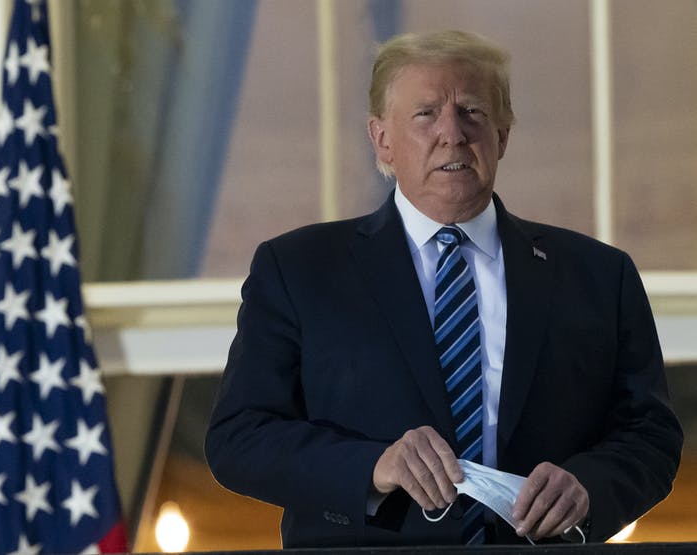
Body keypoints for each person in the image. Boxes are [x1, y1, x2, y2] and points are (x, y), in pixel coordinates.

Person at [204, 30, 682, 546]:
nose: (452, 134)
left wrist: (590, 488)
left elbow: (650, 435)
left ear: (502, 135)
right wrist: (373, 466)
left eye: (473, 112)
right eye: (426, 113)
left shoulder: (598, 275)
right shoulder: (299, 269)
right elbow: (240, 437)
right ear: (381, 138)